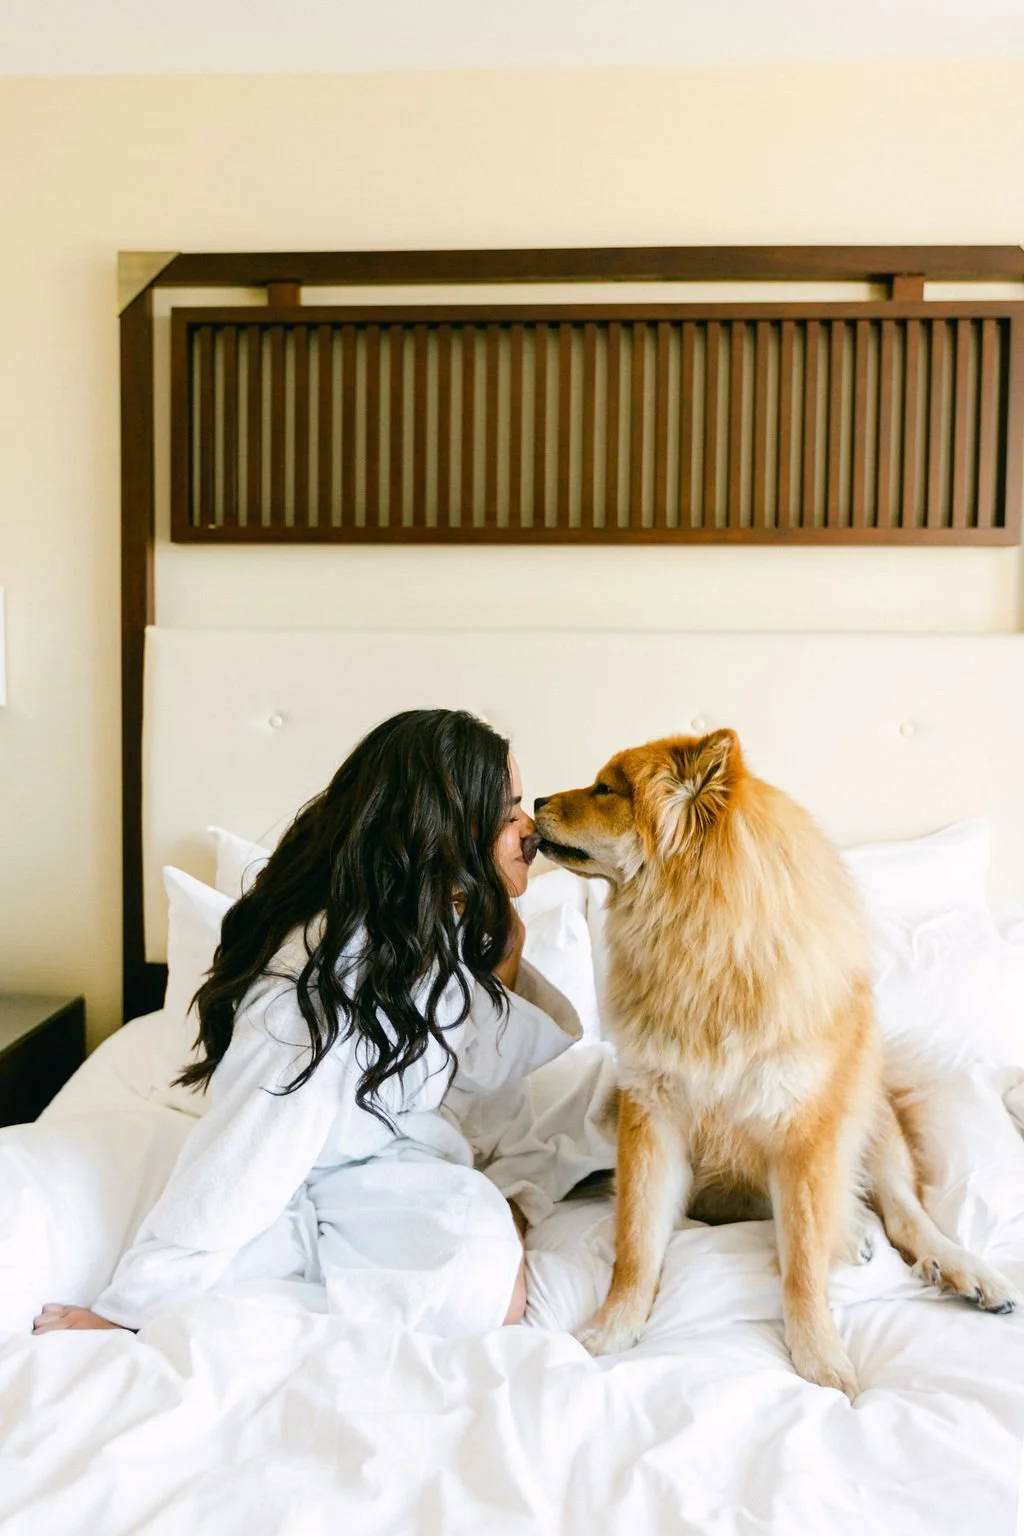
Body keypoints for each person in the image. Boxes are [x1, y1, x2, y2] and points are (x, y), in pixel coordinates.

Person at [33, 709, 581, 1338]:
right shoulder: (321, 983)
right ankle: (251, 1282)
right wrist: (127, 1311)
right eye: (507, 812)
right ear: (446, 830)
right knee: (478, 1286)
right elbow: (250, 1146)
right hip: (304, 1170)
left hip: (382, 1157)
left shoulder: (425, 932)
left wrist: (502, 938)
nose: (530, 831)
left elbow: (471, 1062)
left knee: (486, 1263)